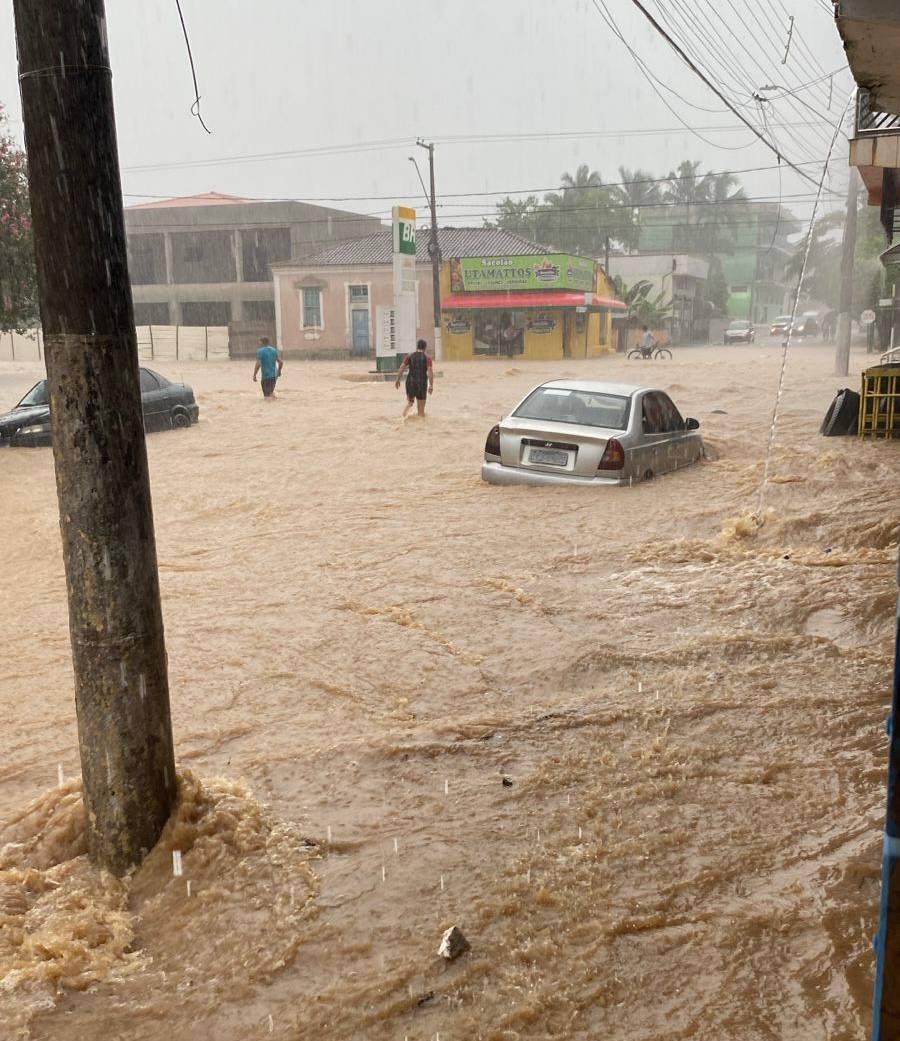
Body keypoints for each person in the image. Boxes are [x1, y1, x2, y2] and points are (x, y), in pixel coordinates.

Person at [395, 338, 434, 417]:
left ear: (417, 347)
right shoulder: (427, 358)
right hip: (422, 384)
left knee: (410, 403)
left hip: (411, 383)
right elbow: (430, 371)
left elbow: (402, 367)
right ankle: (420, 423)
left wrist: (397, 380)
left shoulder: (410, 356)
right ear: (425, 348)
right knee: (421, 410)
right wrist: (431, 385)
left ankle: (402, 418)